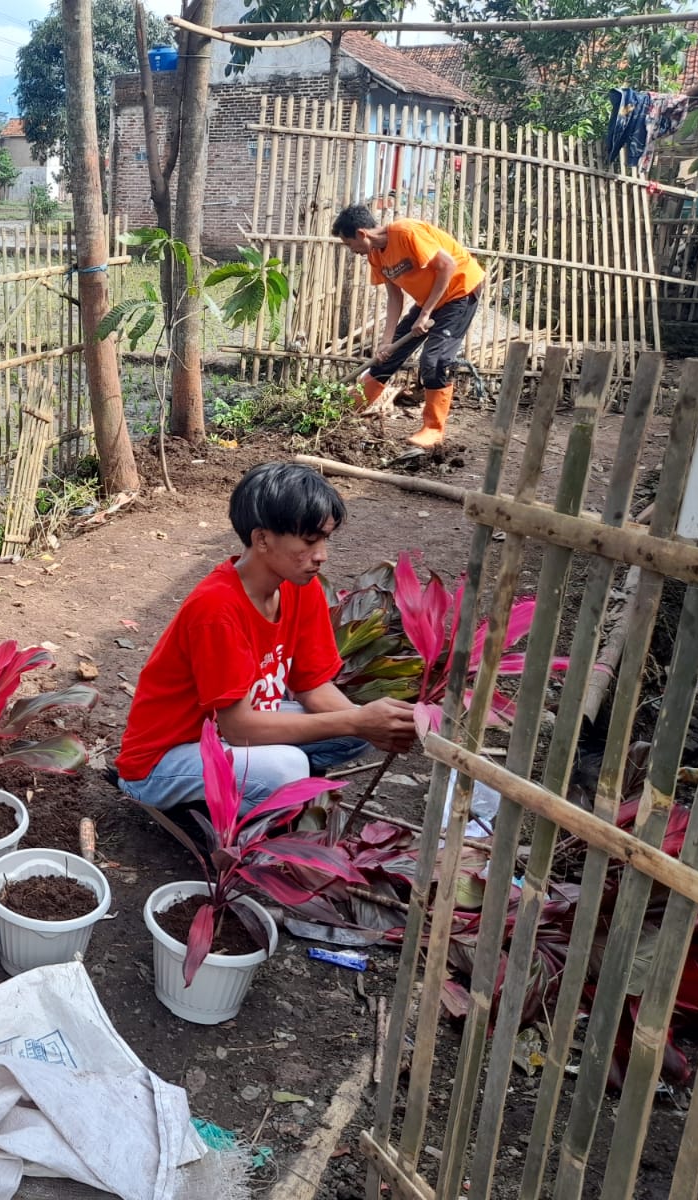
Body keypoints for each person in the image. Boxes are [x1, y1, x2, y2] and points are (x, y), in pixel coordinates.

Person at [115, 462, 417, 816]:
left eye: (324, 539)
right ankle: (237, 824)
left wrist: (368, 722)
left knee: (357, 730)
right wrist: (355, 720)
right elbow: (239, 727)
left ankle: (262, 793)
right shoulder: (217, 608)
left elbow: (313, 686)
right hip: (161, 764)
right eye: (309, 541)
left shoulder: (301, 588)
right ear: (262, 539)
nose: (321, 555)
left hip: (227, 739)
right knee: (287, 766)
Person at [333, 203, 485, 449]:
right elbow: (395, 297)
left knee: (434, 360)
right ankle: (349, 409)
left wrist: (425, 313)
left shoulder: (405, 232)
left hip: (460, 291)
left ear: (362, 234)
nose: (353, 251)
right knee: (387, 355)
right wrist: (386, 342)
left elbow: (447, 266)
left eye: (350, 245)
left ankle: (433, 429)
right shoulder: (375, 255)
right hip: (432, 300)